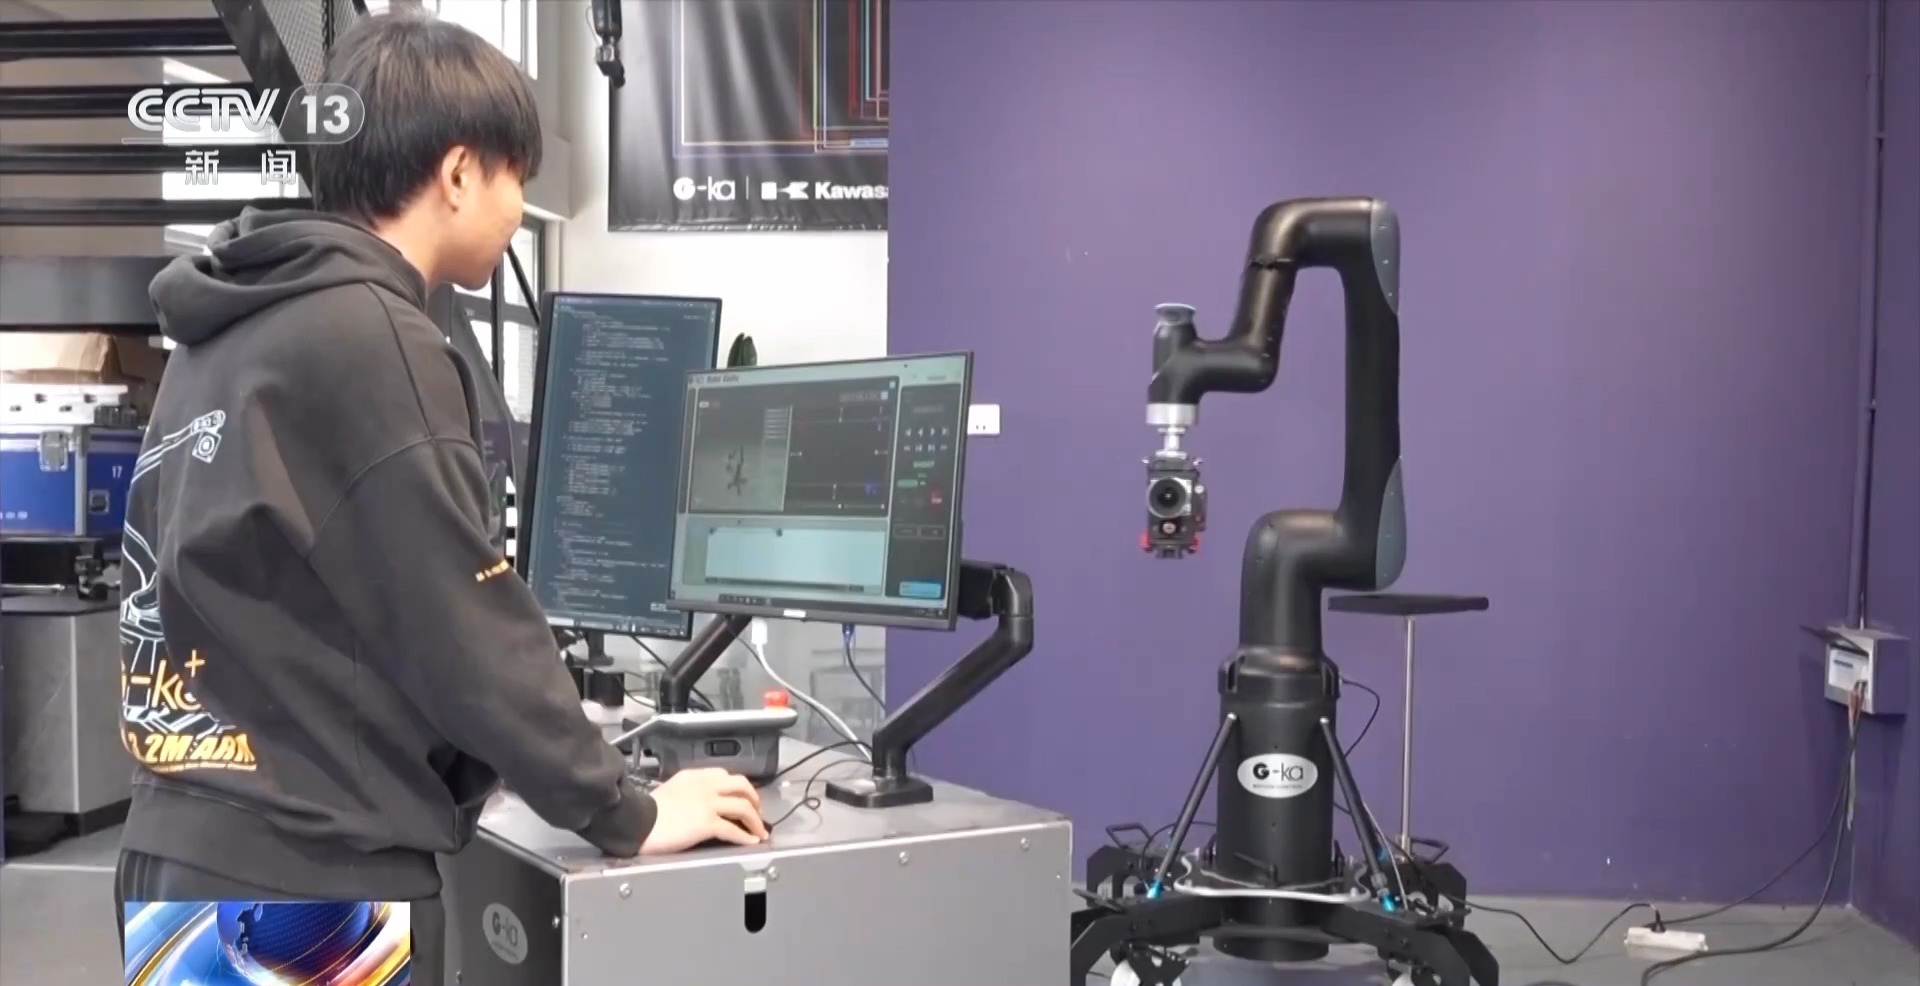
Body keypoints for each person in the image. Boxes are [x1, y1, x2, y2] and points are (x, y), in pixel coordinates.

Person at [114, 12, 767, 982]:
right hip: (313, 880)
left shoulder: (221, 333)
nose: (518, 207)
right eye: (516, 177)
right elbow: (463, 620)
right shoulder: (374, 333)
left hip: (178, 851)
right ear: (458, 173)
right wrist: (625, 807)